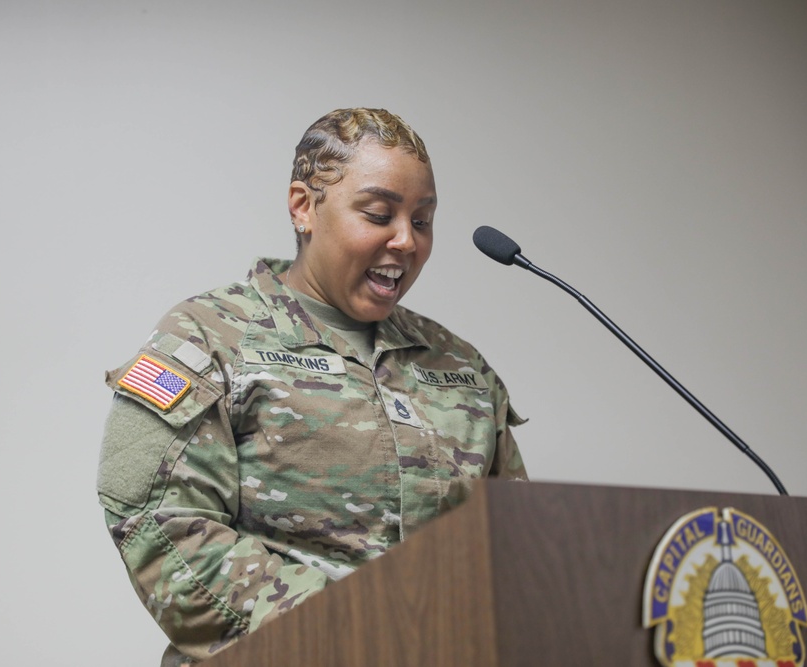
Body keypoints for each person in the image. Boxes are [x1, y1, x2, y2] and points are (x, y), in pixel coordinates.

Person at [96, 108, 528, 665]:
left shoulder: (460, 365)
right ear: (304, 207)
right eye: (378, 214)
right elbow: (161, 526)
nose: (406, 241)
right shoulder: (209, 340)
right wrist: (357, 633)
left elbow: (515, 548)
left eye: (422, 221)